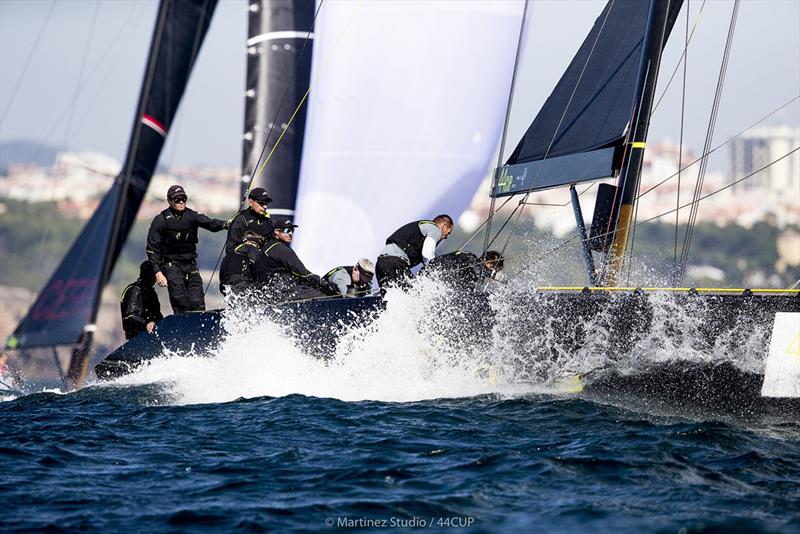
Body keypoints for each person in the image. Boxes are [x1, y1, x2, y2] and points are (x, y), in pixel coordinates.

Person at [146, 185, 227, 313]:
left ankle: (200, 327)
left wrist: (226, 224)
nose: (181, 202)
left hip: (190, 264)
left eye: (183, 198)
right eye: (177, 199)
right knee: (181, 301)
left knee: (197, 302)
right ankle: (182, 327)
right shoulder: (160, 220)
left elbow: (211, 224)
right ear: (169, 201)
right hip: (171, 265)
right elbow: (152, 249)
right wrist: (158, 272)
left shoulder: (192, 215)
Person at [255, 216, 335, 301]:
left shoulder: (266, 248)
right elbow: (303, 273)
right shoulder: (281, 249)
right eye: (287, 231)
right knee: (324, 297)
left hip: (268, 292)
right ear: (277, 232)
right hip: (285, 291)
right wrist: (324, 284)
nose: (290, 234)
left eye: (292, 231)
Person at [375, 215, 454, 290]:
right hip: (395, 264)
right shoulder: (435, 229)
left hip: (381, 265)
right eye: (448, 232)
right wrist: (436, 271)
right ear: (443, 225)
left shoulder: (421, 228)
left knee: (390, 298)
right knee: (413, 295)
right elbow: (427, 253)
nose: (446, 237)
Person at [120, 261, 163, 340]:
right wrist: (146, 323)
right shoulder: (134, 291)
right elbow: (130, 316)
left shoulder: (151, 292)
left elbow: (157, 315)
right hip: (136, 337)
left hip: (151, 335)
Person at [224, 187, 273, 254]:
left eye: (266, 203)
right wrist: (249, 247)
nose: (265, 206)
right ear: (250, 202)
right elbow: (230, 249)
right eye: (261, 203)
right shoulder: (241, 219)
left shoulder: (268, 221)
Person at [426, 249, 505, 290]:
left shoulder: (476, 273)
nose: (495, 271)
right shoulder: (470, 257)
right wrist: (494, 275)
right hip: (431, 278)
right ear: (489, 262)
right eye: (496, 269)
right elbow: (476, 266)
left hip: (439, 283)